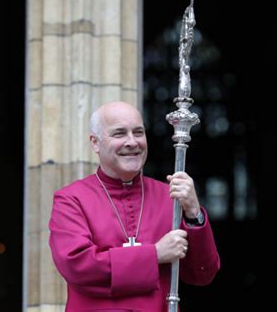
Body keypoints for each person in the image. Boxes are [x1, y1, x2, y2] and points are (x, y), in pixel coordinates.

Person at [49, 101, 220, 311]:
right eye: (119, 134)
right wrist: (155, 254)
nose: (132, 142)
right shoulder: (71, 199)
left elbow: (202, 273)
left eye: (138, 132)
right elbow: (77, 266)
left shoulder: (169, 196)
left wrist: (194, 213)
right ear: (95, 143)